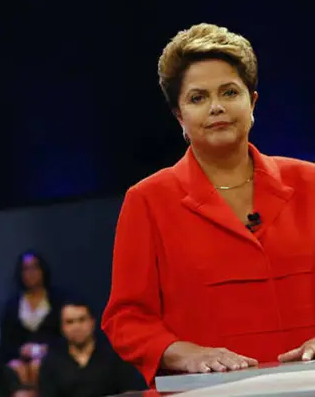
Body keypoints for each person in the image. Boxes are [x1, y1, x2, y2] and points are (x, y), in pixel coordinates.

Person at [101, 23, 315, 387]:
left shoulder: (309, 183)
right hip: (207, 391)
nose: (216, 107)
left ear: (253, 102)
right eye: (197, 98)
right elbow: (126, 318)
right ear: (179, 117)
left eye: (230, 92)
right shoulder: (147, 201)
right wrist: (181, 351)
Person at [38, 303, 143, 397]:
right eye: (70, 322)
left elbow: (130, 393)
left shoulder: (114, 357)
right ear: (62, 328)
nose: (77, 327)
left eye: (82, 320)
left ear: (92, 322)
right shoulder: (51, 362)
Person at [0, 250, 63, 387]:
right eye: (26, 269)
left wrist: (45, 349)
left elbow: (64, 335)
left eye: (35, 267)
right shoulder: (13, 304)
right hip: (21, 359)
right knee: (16, 369)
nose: (31, 273)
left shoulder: (58, 300)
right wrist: (20, 352)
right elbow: (5, 342)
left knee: (38, 366)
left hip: (53, 354)